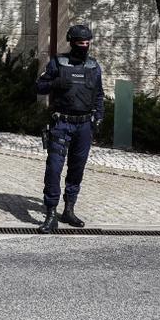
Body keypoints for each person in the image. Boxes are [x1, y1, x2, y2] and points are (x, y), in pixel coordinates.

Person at [35, 23, 104, 233]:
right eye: (82, 43)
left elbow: (99, 95)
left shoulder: (93, 66)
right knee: (54, 168)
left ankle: (69, 210)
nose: (86, 46)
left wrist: (98, 118)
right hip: (61, 124)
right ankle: (50, 214)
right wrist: (56, 83)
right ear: (73, 43)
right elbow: (39, 86)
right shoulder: (58, 63)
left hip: (84, 126)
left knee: (77, 169)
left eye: (88, 43)